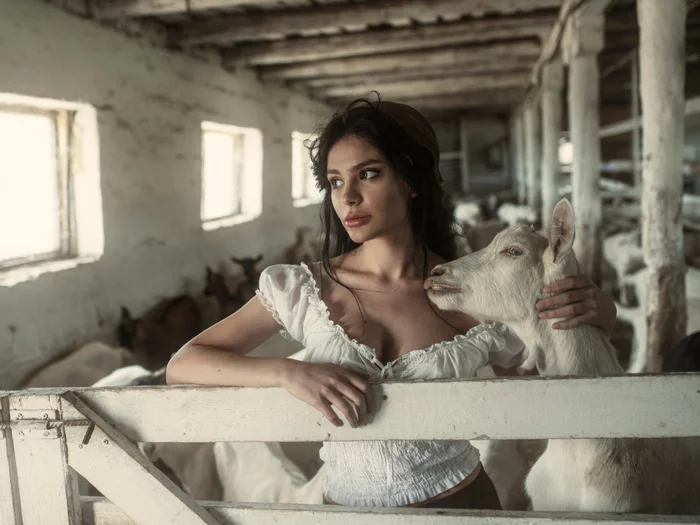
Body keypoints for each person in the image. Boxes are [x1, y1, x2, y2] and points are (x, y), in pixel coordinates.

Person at [166, 96, 617, 509]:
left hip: (462, 508)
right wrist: (289, 372)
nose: (348, 197)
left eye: (368, 173)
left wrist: (602, 312)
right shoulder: (304, 288)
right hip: (342, 513)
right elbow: (184, 364)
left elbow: (564, 370)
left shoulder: (478, 294)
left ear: (411, 180)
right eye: (335, 181)